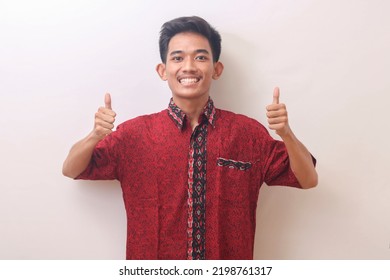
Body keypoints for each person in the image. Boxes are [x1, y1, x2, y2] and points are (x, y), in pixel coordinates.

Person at [62, 16, 317, 260]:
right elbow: (72, 169)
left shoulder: (246, 133)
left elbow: (307, 179)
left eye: (200, 57)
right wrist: (96, 134)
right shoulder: (134, 135)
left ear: (216, 69)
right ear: (163, 70)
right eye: (178, 57)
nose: (189, 67)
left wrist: (286, 134)